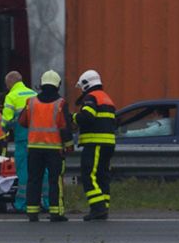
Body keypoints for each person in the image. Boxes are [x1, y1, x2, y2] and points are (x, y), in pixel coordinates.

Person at [17, 70, 74, 223]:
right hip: (54, 150)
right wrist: (69, 146)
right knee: (55, 181)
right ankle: (56, 213)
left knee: (34, 180)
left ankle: (32, 212)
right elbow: (65, 128)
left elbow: (22, 122)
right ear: (58, 85)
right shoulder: (60, 103)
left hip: (34, 149)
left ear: (41, 84)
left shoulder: (31, 102)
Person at [74, 69, 117, 221]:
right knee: (102, 176)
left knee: (88, 175)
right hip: (108, 144)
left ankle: (98, 208)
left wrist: (73, 118)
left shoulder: (91, 97)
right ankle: (103, 207)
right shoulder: (106, 98)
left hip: (95, 143)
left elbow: (87, 117)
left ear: (86, 84)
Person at [1, 70, 39, 212]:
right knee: (41, 171)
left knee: (24, 172)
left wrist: (5, 130)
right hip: (38, 139)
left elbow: (5, 121)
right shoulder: (34, 94)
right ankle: (45, 201)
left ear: (10, 83)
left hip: (22, 140)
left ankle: (22, 204)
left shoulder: (11, 96)